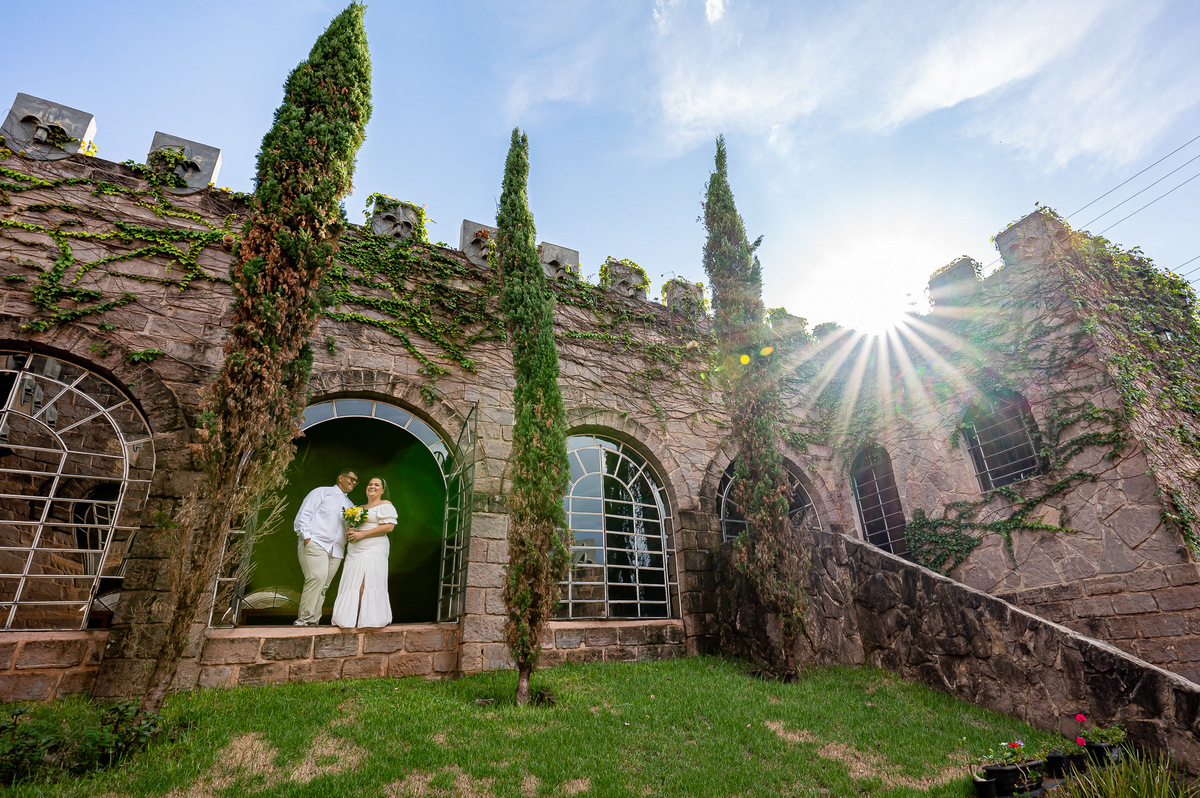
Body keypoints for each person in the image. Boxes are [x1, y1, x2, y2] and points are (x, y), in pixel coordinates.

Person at [293, 467, 357, 626]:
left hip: (337, 550)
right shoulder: (322, 492)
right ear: (341, 478)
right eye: (351, 479)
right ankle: (304, 620)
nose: (354, 483)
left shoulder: (350, 505)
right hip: (317, 543)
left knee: (324, 586)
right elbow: (304, 514)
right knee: (317, 578)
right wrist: (307, 538)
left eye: (356, 481)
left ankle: (313, 621)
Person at [331, 476, 396, 628]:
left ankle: (367, 619)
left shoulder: (385, 505)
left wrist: (362, 535)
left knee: (365, 584)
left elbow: (389, 527)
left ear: (382, 490)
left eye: (377, 485)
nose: (372, 486)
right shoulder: (359, 508)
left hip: (374, 549)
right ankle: (349, 619)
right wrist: (352, 530)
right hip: (355, 551)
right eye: (370, 484)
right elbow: (354, 526)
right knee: (352, 583)